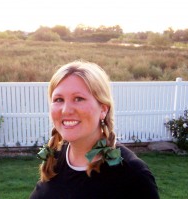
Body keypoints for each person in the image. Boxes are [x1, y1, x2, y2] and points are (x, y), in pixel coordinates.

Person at [29, 60, 159, 199]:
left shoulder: (132, 175)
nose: (66, 110)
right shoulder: (55, 158)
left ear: (103, 109)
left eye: (78, 98)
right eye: (59, 99)